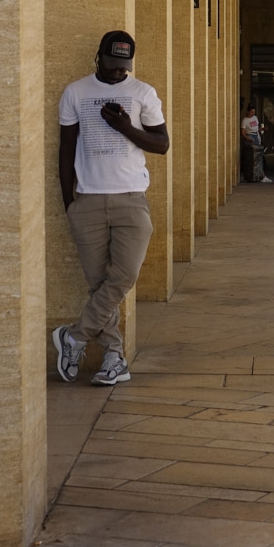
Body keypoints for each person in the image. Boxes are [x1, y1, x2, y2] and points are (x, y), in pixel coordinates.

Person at [53, 30, 169, 386]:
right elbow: (66, 149)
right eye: (113, 64)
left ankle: (73, 337)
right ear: (99, 58)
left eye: (124, 66)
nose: (119, 72)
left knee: (123, 278)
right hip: (87, 200)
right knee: (99, 285)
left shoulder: (142, 93)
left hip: (131, 200)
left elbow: (162, 145)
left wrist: (124, 127)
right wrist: (69, 202)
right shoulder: (76, 92)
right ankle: (113, 358)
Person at [240, 103, 271, 183]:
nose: (252, 114)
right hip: (249, 136)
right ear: (248, 112)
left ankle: (261, 175)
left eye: (254, 112)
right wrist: (248, 138)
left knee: (259, 157)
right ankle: (253, 175)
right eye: (251, 112)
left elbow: (256, 129)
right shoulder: (245, 120)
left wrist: (262, 129)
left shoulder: (255, 118)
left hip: (256, 136)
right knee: (252, 158)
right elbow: (243, 132)